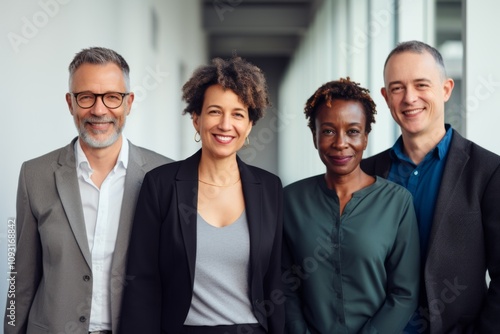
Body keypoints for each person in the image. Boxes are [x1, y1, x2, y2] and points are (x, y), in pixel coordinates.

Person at [4, 47, 172, 334]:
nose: (98, 110)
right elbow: (21, 276)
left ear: (128, 103)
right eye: (86, 97)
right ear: (70, 103)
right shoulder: (35, 174)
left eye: (111, 97)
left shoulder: (163, 175)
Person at [119, 56, 284, 334]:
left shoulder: (269, 189)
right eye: (214, 111)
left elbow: (276, 280)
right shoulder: (161, 185)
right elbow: (142, 282)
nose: (225, 124)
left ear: (250, 126)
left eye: (238, 114)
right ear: (196, 119)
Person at [361, 40, 500, 333]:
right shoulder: (365, 173)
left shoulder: (488, 171)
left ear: (446, 89)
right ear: (386, 97)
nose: (410, 98)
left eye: (421, 85)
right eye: (397, 88)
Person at [282, 78, 420, 333]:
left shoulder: (397, 202)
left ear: (366, 138)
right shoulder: (289, 200)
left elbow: (404, 294)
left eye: (353, 131)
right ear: (314, 137)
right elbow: (285, 286)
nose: (340, 143)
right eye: (328, 131)